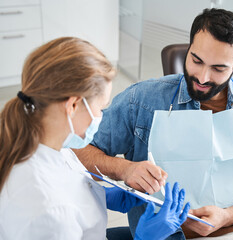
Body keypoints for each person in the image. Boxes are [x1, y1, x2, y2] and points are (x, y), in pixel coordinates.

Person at [74, 8, 233, 240]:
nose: (203, 77)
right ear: (189, 48)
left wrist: (227, 216)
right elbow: (77, 150)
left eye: (218, 68)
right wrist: (124, 169)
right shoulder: (141, 100)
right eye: (196, 60)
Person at [0, 37, 190, 240]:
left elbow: (67, 180)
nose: (101, 116)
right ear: (72, 106)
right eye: (100, 107)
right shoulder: (52, 214)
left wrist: (102, 194)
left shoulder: (48, 144)